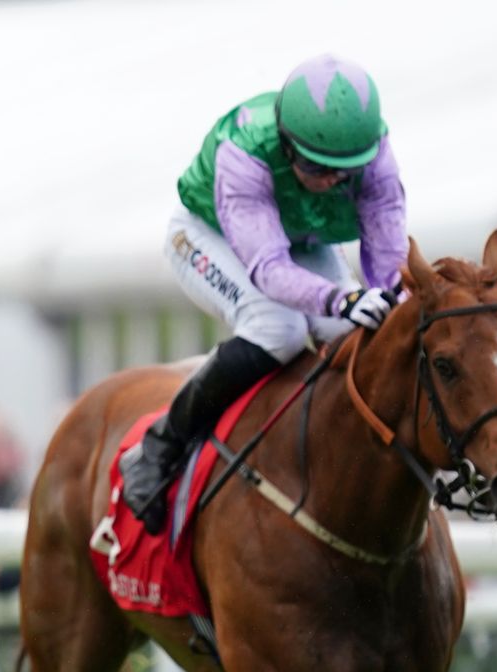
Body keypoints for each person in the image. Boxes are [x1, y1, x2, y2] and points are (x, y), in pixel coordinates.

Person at [122, 55, 406, 534]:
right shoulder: (246, 152)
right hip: (210, 235)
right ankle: (159, 447)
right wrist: (342, 299)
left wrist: (389, 300)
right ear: (288, 143)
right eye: (318, 166)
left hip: (301, 238)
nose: (333, 180)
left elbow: (388, 259)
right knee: (279, 328)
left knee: (352, 331)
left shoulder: (377, 156)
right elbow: (270, 270)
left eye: (345, 169)